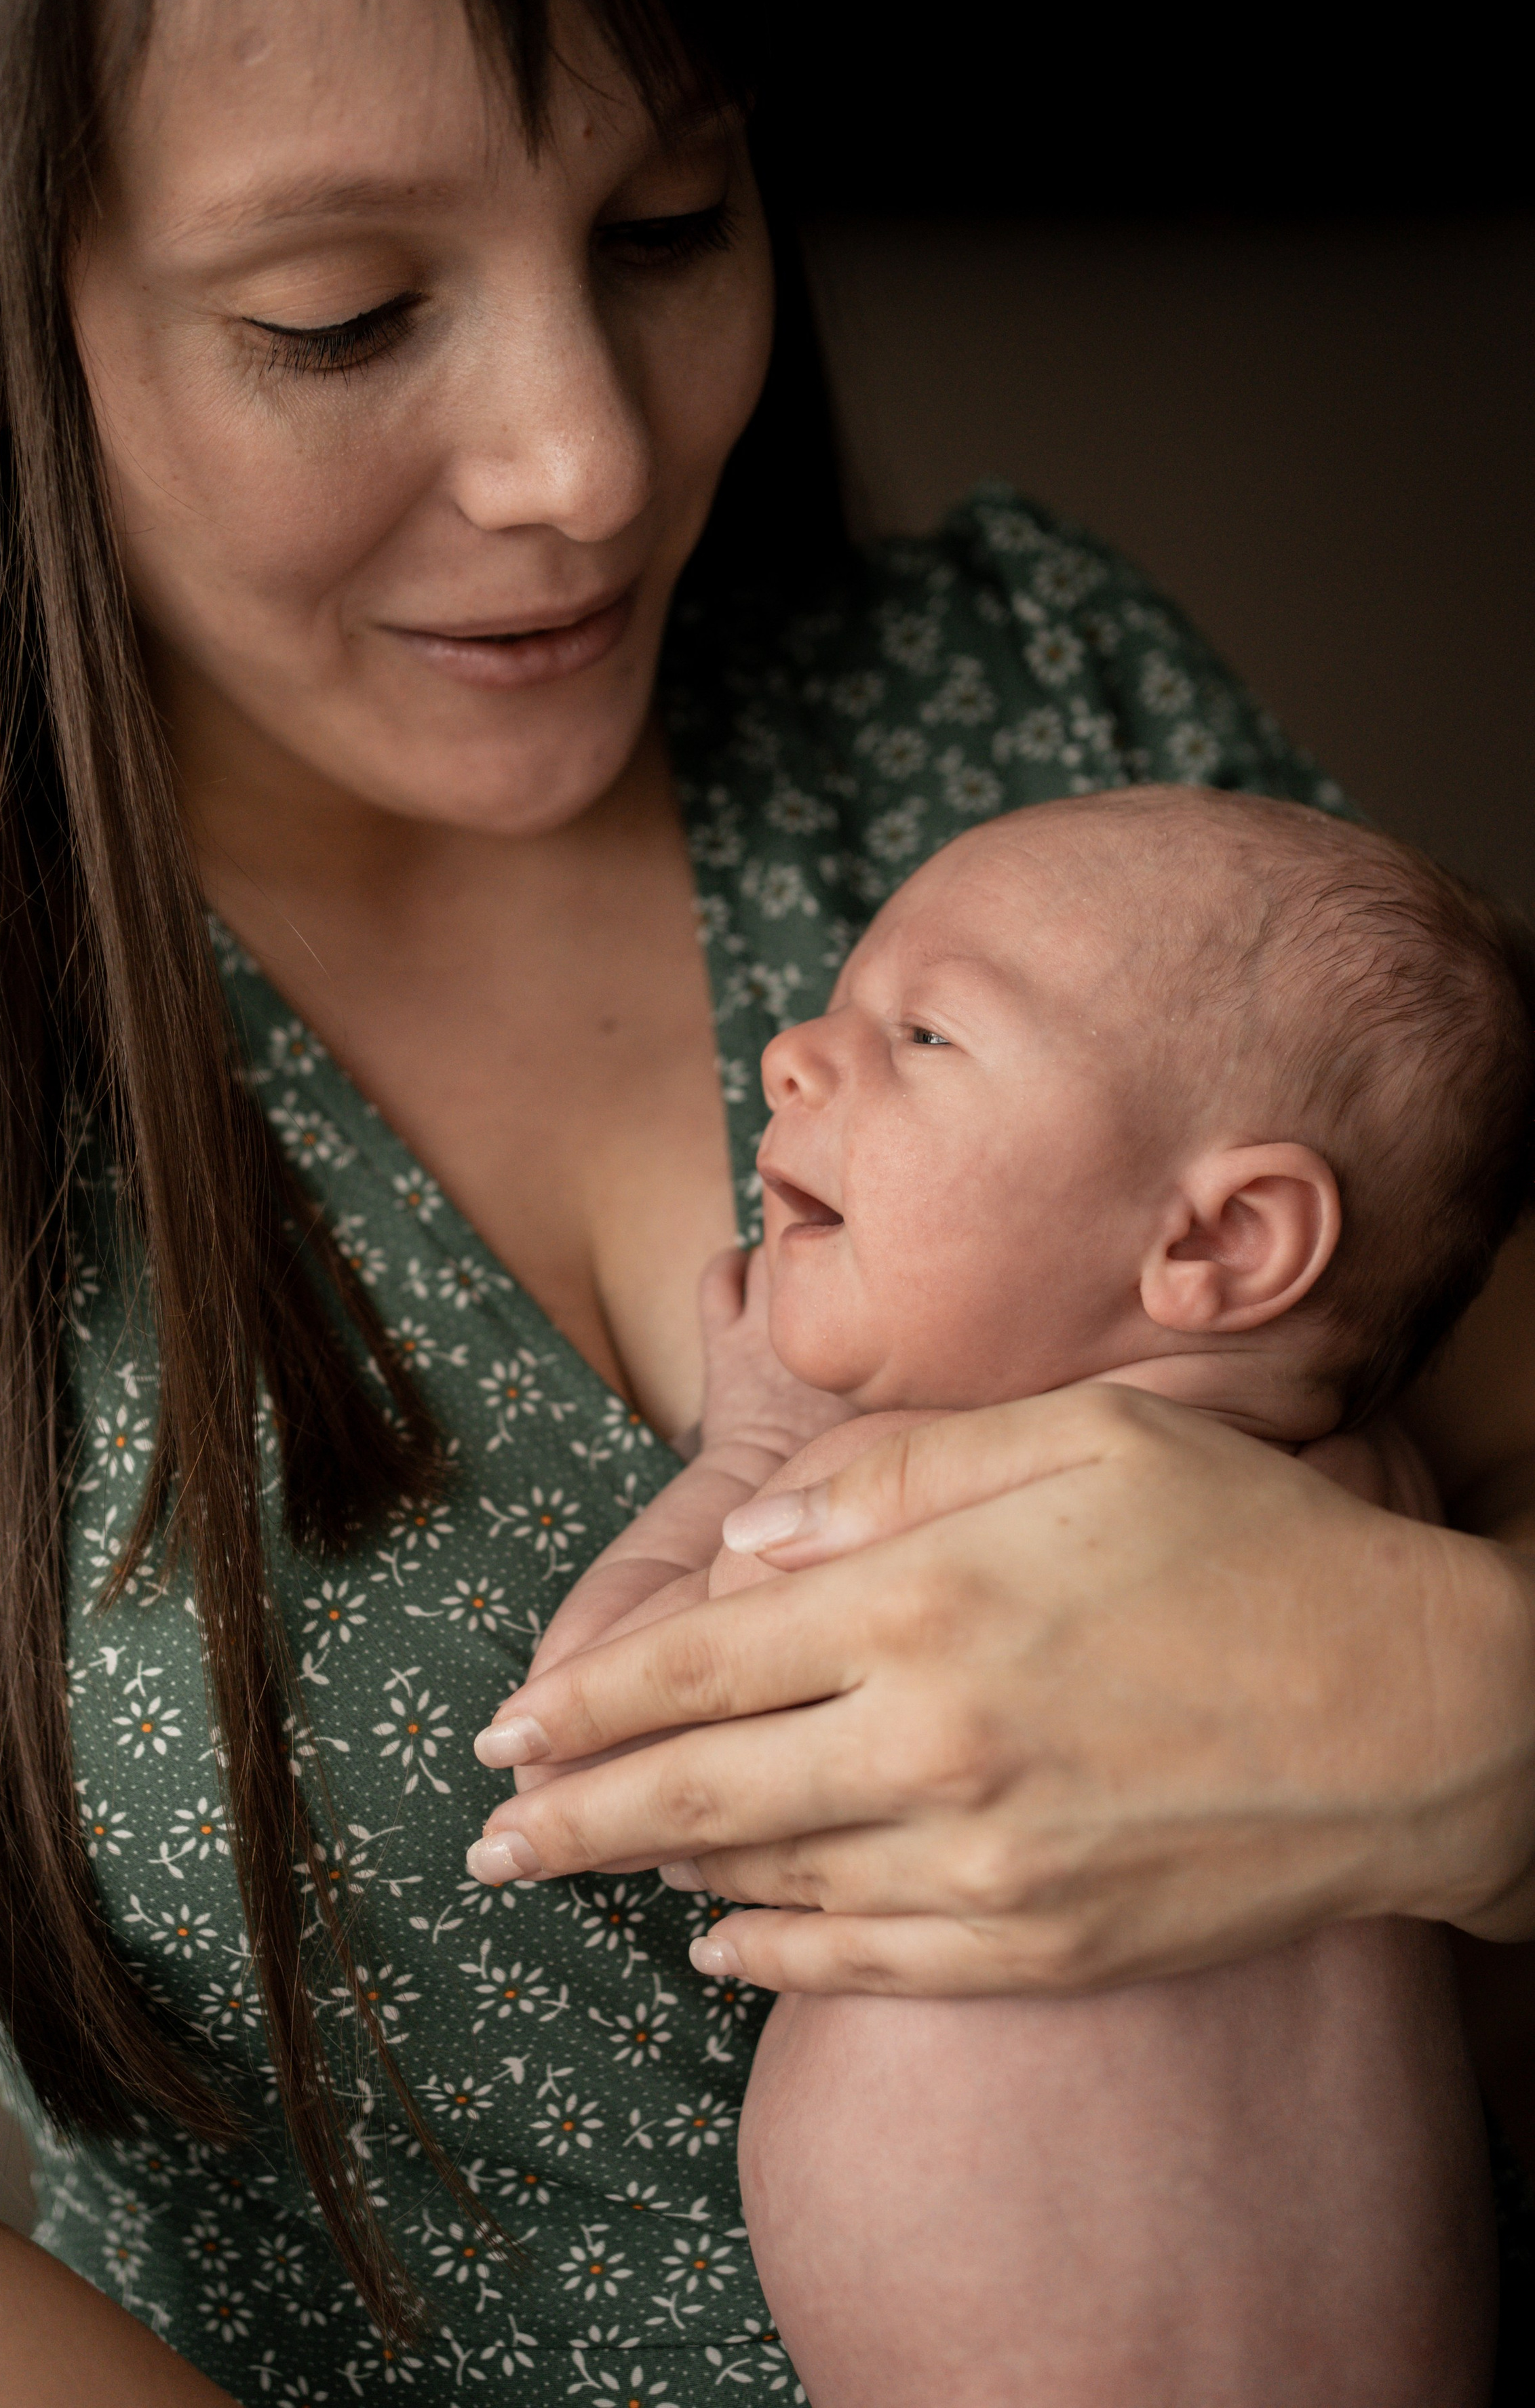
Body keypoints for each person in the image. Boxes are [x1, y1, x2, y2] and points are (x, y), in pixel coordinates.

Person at [0, 0, 1534, 2405]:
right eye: (344, 311)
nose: (587, 463)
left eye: (667, 225)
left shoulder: (1044, 758)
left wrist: (1455, 1719)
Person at [499, 785, 1535, 2401]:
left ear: (1223, 1241)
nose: (794, 1053)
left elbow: (596, 1745)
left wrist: (750, 1451)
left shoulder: (933, 1491)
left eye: (922, 1037)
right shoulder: (1383, 1511)